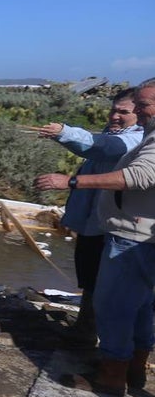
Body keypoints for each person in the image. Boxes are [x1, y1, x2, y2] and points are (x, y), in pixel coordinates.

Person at [34, 78, 155, 395]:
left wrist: (70, 181)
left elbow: (131, 169)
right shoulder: (147, 135)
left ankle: (111, 375)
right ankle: (133, 370)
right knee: (140, 307)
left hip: (132, 236)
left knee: (114, 306)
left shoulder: (143, 140)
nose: (138, 114)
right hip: (134, 234)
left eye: (141, 107)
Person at [27, 91, 142, 345]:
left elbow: (104, 148)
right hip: (94, 222)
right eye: (113, 110)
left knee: (109, 285)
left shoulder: (136, 138)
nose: (115, 116)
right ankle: (87, 330)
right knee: (90, 278)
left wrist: (65, 132)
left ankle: (111, 346)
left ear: (140, 113)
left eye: (123, 112)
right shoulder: (114, 133)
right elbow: (93, 148)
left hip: (112, 226)